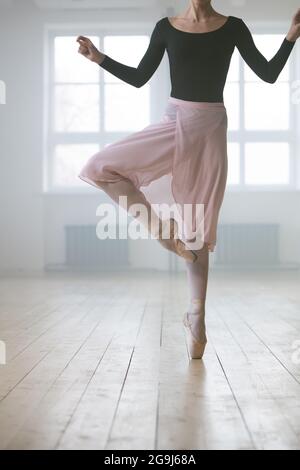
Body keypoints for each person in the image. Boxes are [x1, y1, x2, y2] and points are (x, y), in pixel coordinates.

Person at [76, 0, 299, 359]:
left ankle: (197, 319)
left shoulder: (233, 26)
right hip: (180, 121)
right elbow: (139, 77)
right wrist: (98, 57)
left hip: (208, 128)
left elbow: (268, 74)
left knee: (197, 226)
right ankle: (163, 233)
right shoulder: (166, 27)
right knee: (101, 166)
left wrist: (291, 36)